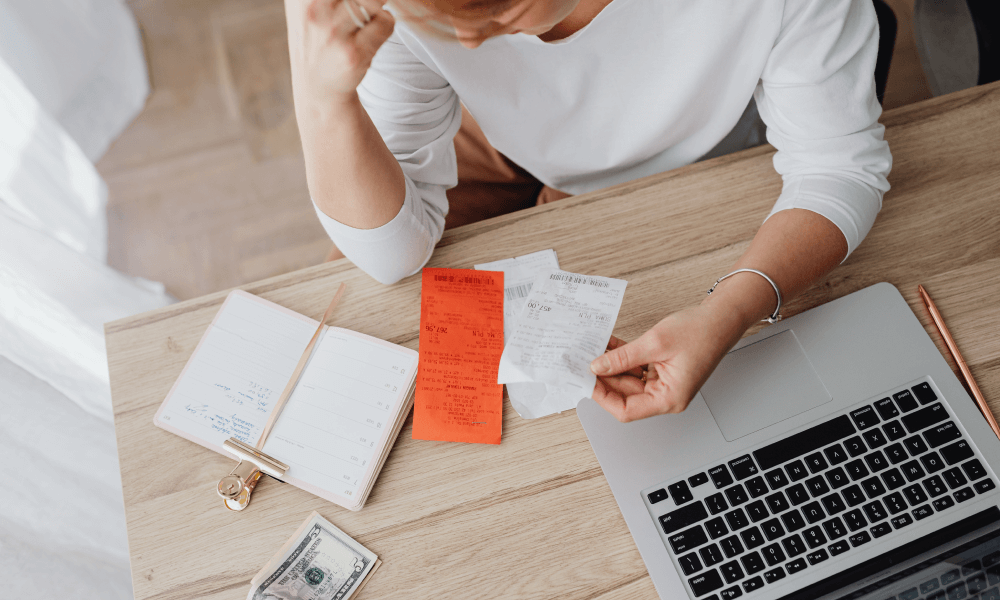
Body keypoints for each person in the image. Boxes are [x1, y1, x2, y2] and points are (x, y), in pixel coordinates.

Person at [284, 0, 892, 422]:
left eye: (496, 10)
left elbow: (839, 168)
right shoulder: (422, 22)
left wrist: (732, 309)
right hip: (490, 131)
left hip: (700, 140)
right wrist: (320, 98)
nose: (465, 41)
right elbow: (391, 258)